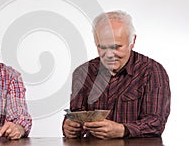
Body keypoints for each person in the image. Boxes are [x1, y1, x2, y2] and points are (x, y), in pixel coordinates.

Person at [62, 11, 170, 139]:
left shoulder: (152, 71)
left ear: (132, 41)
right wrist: (69, 126)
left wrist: (122, 130)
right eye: (102, 47)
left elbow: (156, 123)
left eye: (116, 47)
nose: (109, 54)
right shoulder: (83, 73)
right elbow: (76, 115)